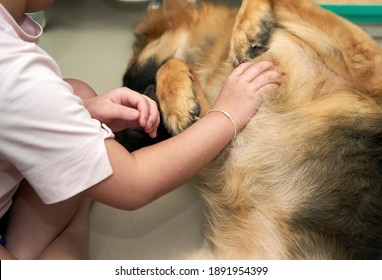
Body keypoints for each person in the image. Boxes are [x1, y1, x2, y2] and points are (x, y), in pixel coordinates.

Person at [0, 0, 282, 260]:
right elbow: (132, 184)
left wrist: (77, 109)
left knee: (76, 90)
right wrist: (227, 114)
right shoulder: (14, 72)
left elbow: (22, 108)